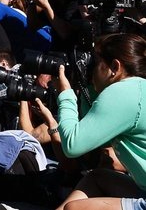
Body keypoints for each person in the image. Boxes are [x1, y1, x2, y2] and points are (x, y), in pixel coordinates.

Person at [54, 34, 146, 210]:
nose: (91, 70)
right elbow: (96, 137)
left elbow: (73, 146)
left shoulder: (124, 91)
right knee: (96, 178)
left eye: (96, 63)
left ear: (114, 67)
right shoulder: (139, 88)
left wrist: (66, 94)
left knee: (75, 208)